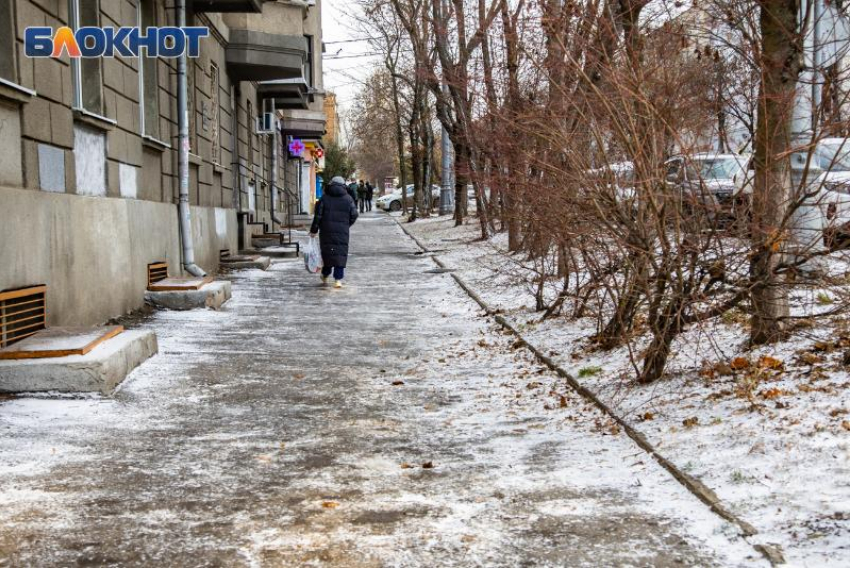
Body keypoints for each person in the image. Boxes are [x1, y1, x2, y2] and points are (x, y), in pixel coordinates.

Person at [310, 176, 359, 288]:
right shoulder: (348, 199)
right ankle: (338, 279)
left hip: (326, 230)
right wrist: (347, 224)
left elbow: (318, 216)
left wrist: (314, 230)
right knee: (340, 253)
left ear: (331, 185)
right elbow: (354, 214)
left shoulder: (324, 198)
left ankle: (325, 274)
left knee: (328, 253)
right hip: (342, 231)